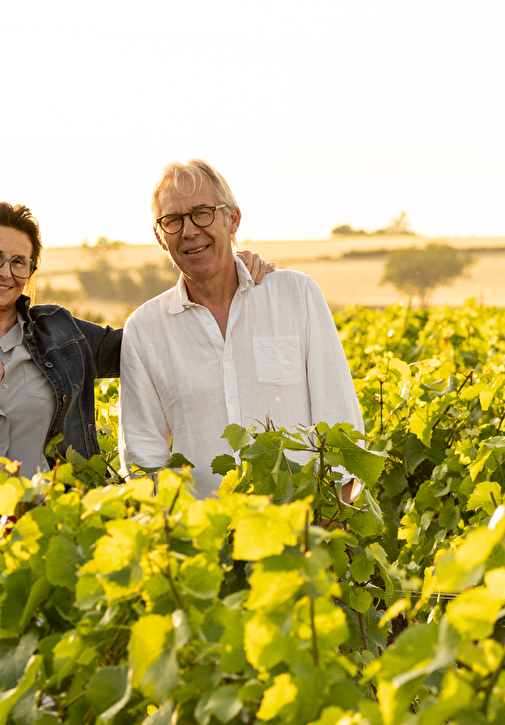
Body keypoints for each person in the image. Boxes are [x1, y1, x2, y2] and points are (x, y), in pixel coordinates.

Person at [0, 202, 274, 501]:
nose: (5, 272)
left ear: (30, 273)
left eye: (20, 262)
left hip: (53, 540)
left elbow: (150, 339)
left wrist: (220, 270)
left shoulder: (62, 336)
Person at [119, 158, 364, 500]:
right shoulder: (144, 330)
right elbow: (143, 455)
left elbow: (341, 419)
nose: (189, 230)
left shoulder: (297, 294)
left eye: (202, 212)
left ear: (232, 219)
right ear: (160, 236)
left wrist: (332, 518)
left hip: (306, 532)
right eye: (172, 220)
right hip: (204, 543)